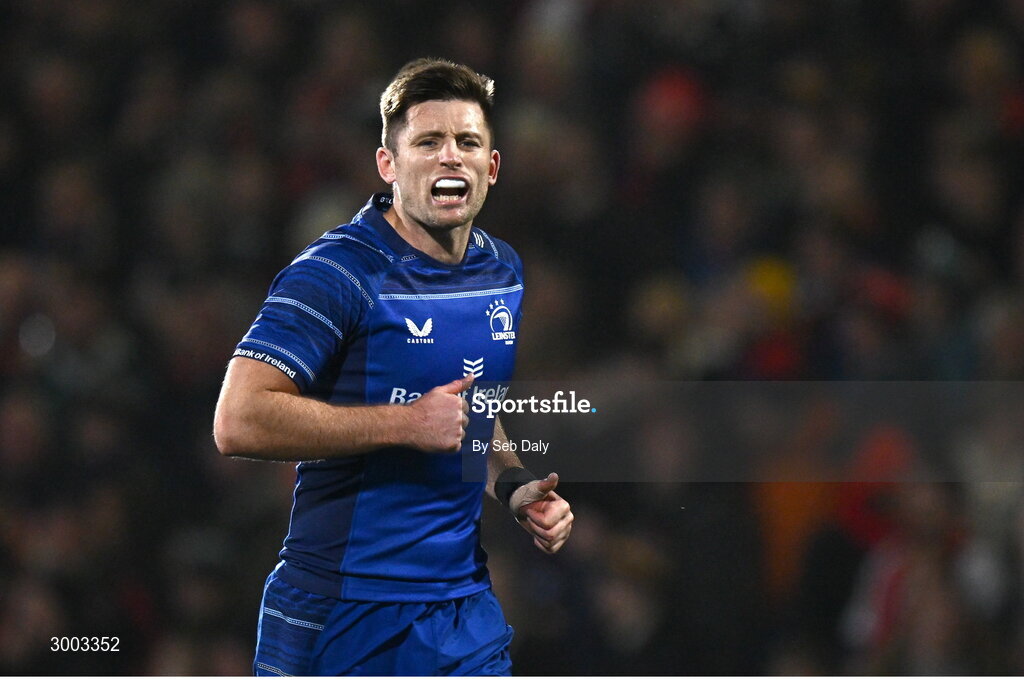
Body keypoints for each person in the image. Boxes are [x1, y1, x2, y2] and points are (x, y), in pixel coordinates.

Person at [213, 58, 573, 676]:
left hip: (460, 614)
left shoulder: (502, 270)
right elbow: (237, 420)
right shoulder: (336, 272)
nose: (449, 157)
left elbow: (468, 416)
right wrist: (405, 424)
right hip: (341, 615)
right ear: (389, 165)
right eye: (428, 142)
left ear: (491, 167)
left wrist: (513, 485)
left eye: (467, 142)